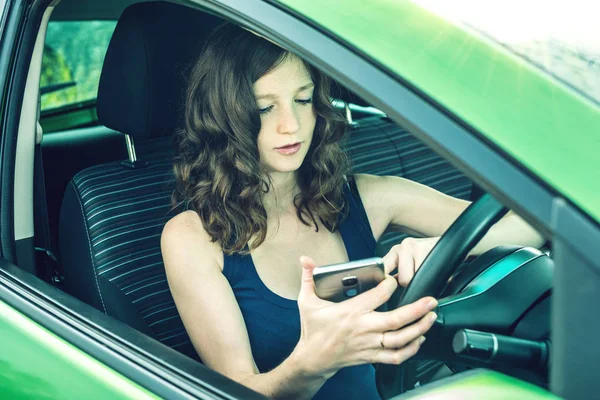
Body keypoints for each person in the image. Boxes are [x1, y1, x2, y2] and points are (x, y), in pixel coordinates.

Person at [161, 23, 543, 400]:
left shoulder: (367, 197)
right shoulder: (192, 238)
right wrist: (314, 363)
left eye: (303, 99)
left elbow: (532, 227)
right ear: (224, 116)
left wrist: (440, 246)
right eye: (264, 107)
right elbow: (236, 391)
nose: (291, 125)